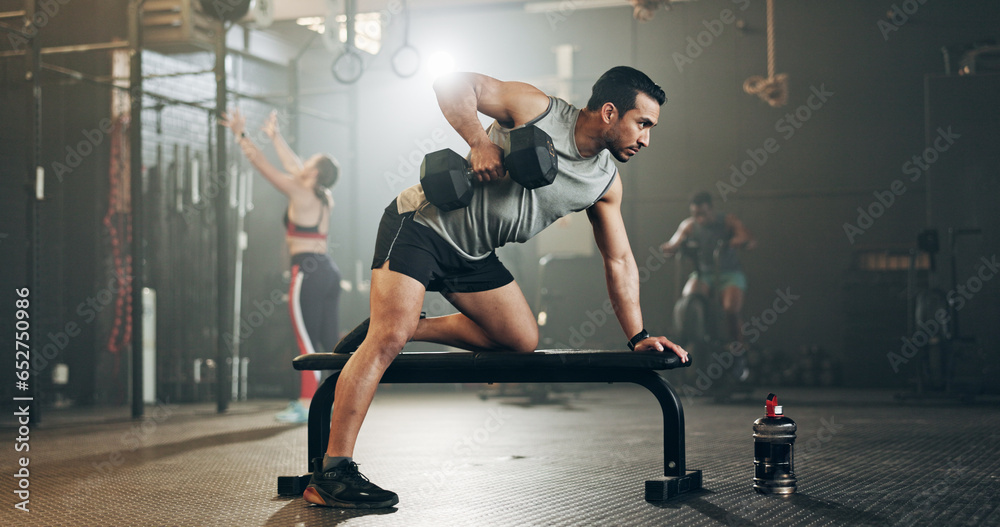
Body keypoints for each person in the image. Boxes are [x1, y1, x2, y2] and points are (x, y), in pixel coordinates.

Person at [304, 66, 689, 509]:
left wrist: (638, 337)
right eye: (643, 124)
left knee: (520, 339)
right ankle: (333, 473)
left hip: (474, 254)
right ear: (609, 112)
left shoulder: (604, 183)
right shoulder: (535, 109)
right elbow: (450, 84)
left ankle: (408, 324)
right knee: (388, 339)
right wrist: (479, 142)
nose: (646, 139)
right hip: (422, 225)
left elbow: (618, 260)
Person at [220, 109, 342, 423]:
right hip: (328, 271)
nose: (303, 163)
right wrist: (275, 136)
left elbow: (262, 166)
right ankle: (335, 402)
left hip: (308, 271)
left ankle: (306, 403)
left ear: (313, 173)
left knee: (304, 338)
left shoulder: (299, 191)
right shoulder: (325, 196)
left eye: (309, 162)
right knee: (329, 342)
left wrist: (240, 135)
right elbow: (294, 165)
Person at [659, 191, 755, 365]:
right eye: (696, 214)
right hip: (704, 274)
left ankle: (739, 351)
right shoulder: (689, 225)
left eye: (703, 214)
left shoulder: (727, 221)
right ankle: (699, 343)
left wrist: (737, 240)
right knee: (689, 300)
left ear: (711, 210)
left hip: (729, 273)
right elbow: (673, 243)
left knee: (730, 309)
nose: (699, 218)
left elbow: (747, 237)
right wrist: (670, 247)